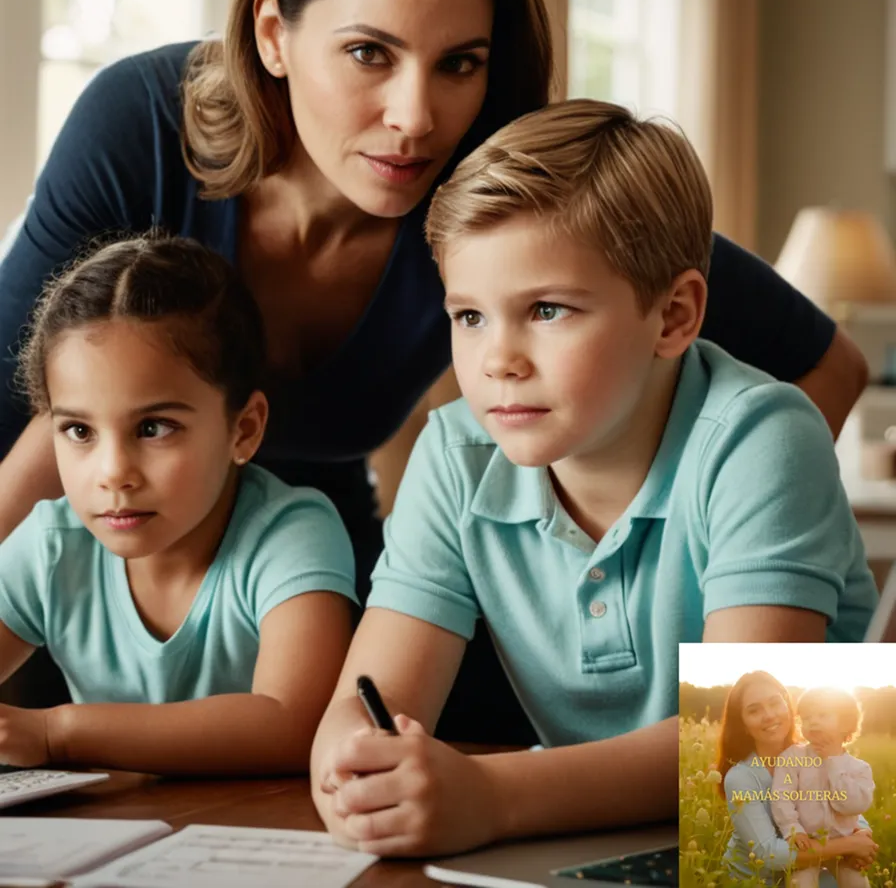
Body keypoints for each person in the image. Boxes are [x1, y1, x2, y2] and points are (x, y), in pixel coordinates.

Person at [0, 0, 867, 743]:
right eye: (370, 52)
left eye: (460, 62)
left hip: (319, 575)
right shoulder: (139, 130)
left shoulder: (501, 197)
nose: (417, 119)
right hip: (103, 576)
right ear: (272, 33)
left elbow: (821, 366)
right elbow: (30, 417)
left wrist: (702, 578)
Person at [309, 100, 878, 858]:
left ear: (674, 316)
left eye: (546, 309)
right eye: (469, 316)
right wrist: (352, 767)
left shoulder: (762, 438)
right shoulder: (454, 454)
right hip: (595, 844)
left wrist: (492, 798)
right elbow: (364, 702)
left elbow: (749, 752)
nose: (496, 360)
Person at [0, 235, 356, 775]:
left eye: (153, 427)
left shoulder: (292, 533)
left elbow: (294, 725)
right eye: (78, 430)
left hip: (259, 837)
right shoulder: (50, 545)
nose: (113, 472)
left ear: (245, 429)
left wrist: (56, 732)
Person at [719, 673, 878, 885]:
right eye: (754, 710)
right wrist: (850, 845)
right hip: (757, 880)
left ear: (788, 706)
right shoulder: (740, 778)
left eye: (775, 703)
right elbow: (769, 854)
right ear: (744, 725)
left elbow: (836, 799)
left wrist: (862, 832)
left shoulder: (814, 752)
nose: (768, 715)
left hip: (811, 864)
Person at [770, 687, 875, 888]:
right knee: (800, 883)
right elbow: (781, 797)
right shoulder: (792, 758)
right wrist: (793, 830)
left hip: (844, 850)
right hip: (807, 844)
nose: (813, 722)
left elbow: (852, 806)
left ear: (845, 724)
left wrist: (832, 762)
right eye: (807, 718)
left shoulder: (859, 768)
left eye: (822, 715)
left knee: (857, 883)